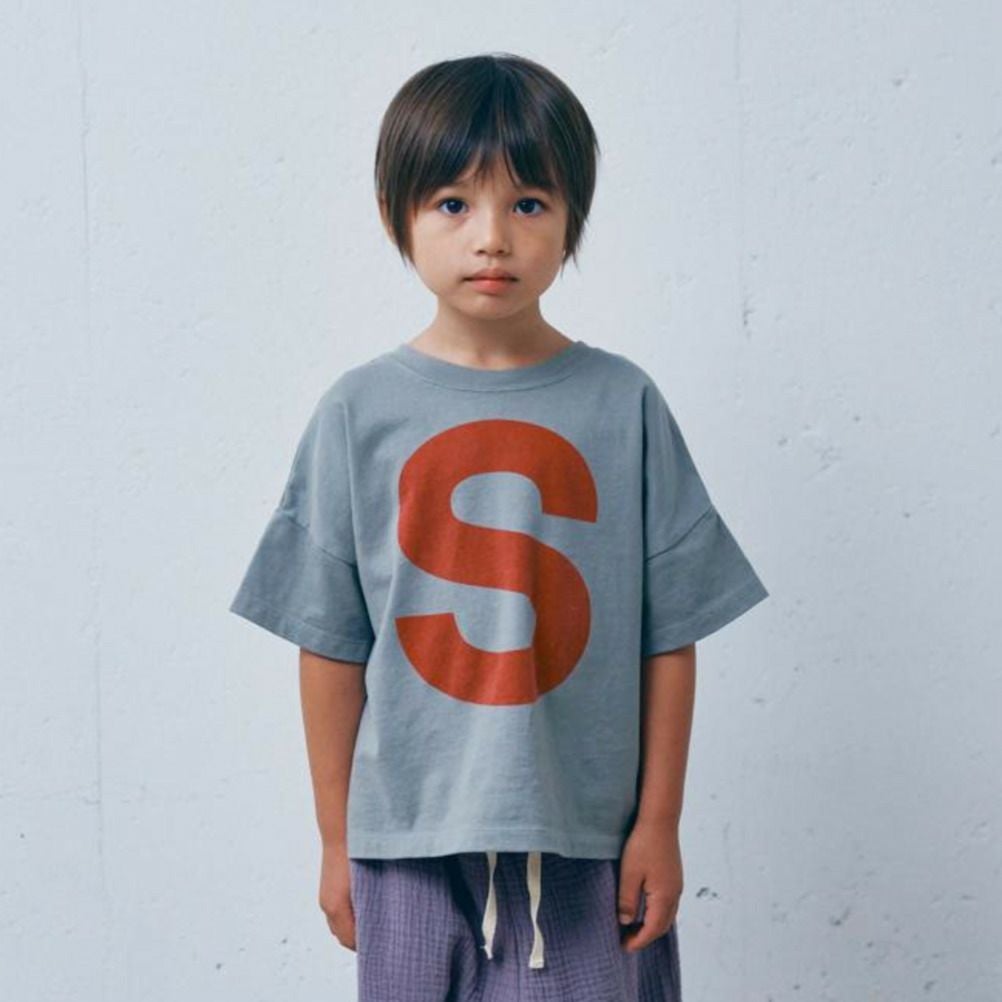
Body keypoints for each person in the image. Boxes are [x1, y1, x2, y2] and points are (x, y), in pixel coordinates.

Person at [229, 52, 769, 1002]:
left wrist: (659, 824)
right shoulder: (358, 413)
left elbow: (669, 636)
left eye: (528, 203)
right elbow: (329, 645)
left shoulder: (624, 404)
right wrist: (336, 839)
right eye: (452, 203)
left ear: (571, 220)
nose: (492, 238)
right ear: (397, 215)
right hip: (407, 842)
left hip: (589, 840)